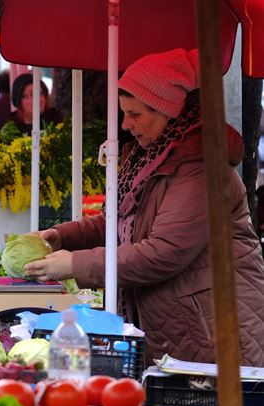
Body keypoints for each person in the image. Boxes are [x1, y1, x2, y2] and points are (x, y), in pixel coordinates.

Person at [23, 48, 264, 367]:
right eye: (124, 113)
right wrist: (63, 236)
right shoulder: (149, 156)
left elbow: (164, 252)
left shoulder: (201, 167)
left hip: (213, 329)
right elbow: (118, 222)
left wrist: (75, 264)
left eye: (135, 114)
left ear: (169, 109)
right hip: (180, 327)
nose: (126, 124)